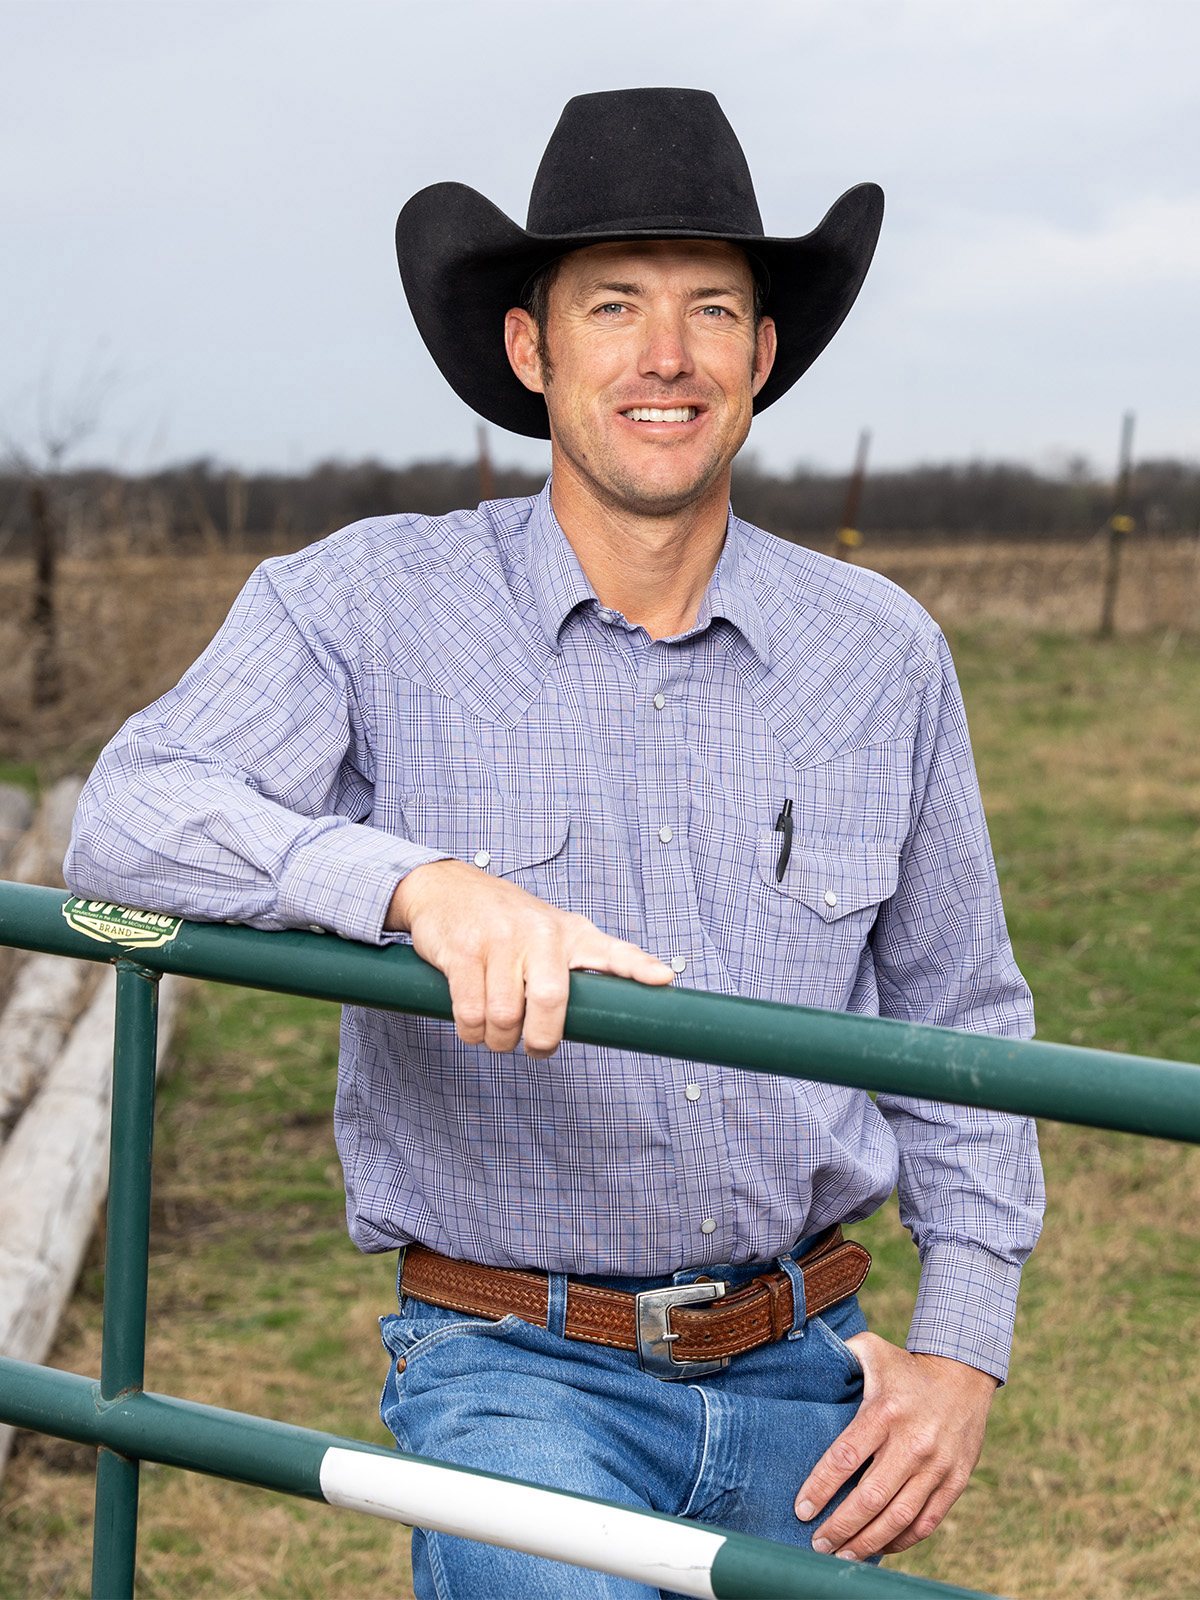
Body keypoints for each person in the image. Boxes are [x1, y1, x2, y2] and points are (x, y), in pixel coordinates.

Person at [67, 87, 1044, 1597]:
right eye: (614, 306)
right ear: (531, 351)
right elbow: (130, 812)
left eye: (714, 308)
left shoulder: (883, 654)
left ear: (761, 356)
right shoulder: (362, 605)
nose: (668, 356)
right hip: (518, 1370)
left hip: (812, 1378)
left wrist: (965, 1353)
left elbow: (966, 1018)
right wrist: (409, 884)